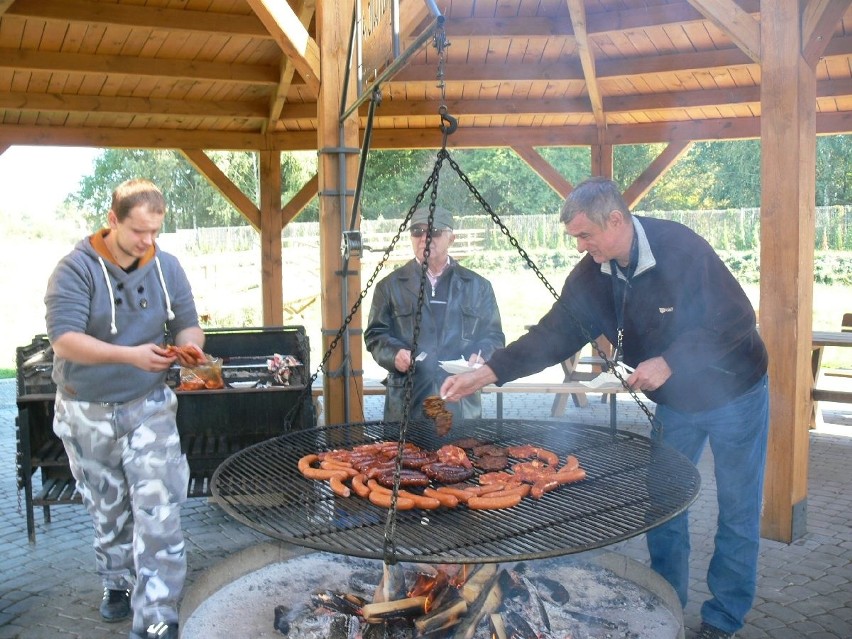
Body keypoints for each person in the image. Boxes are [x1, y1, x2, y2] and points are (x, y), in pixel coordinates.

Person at [441, 178, 769, 639]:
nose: (581, 245)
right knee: (666, 502)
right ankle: (668, 601)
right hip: (677, 405)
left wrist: (671, 361)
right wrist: (489, 372)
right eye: (576, 237)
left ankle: (723, 619)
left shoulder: (681, 248)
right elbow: (552, 335)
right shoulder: (592, 274)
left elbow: (737, 319)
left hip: (736, 391)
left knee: (737, 508)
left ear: (616, 220)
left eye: (585, 235)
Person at [45, 179, 205, 639]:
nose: (148, 241)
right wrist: (130, 354)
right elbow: (65, 340)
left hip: (148, 405)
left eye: (155, 231)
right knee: (108, 508)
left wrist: (189, 347)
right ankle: (117, 580)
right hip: (85, 410)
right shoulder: (75, 269)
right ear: (112, 220)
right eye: (138, 231)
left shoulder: (167, 267)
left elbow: (188, 323)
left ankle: (156, 617)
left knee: (159, 508)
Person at [365, 205, 505, 423]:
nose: (424, 238)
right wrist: (394, 354)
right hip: (407, 401)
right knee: (405, 457)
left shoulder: (478, 286)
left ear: (452, 238)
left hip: (459, 397)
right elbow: (375, 335)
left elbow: (494, 337)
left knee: (461, 456)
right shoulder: (389, 286)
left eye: (434, 231)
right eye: (417, 232)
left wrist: (482, 355)